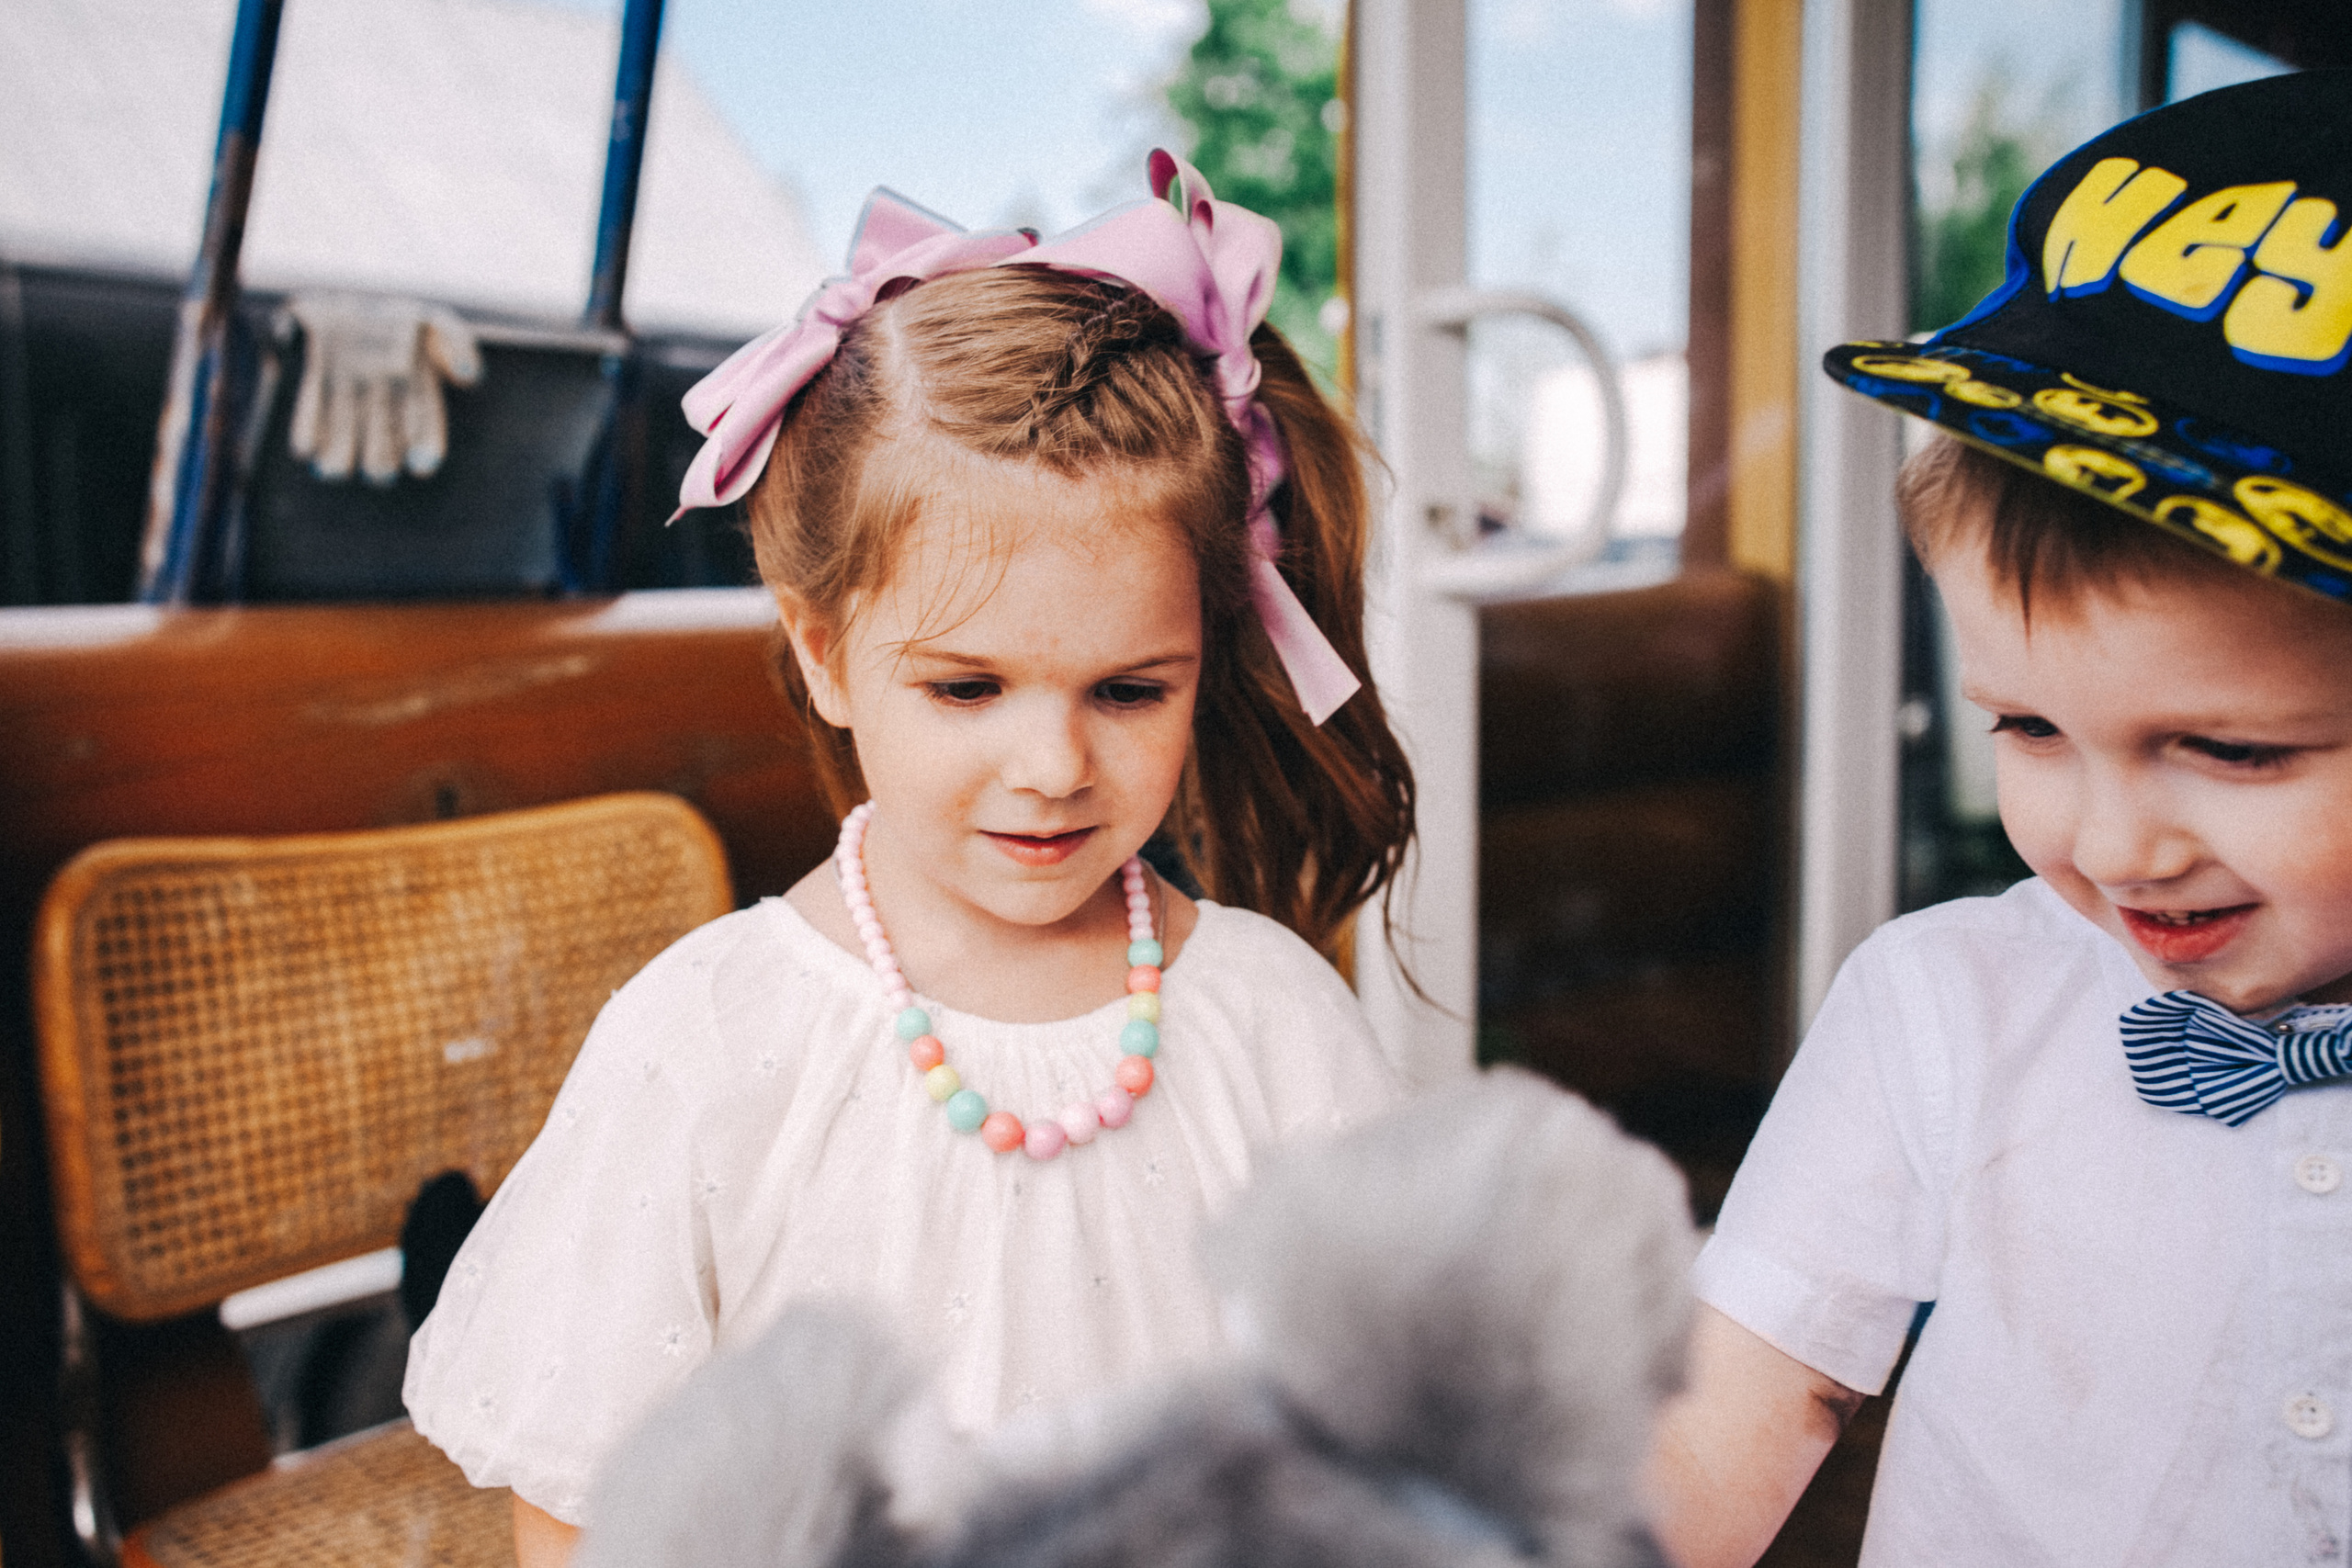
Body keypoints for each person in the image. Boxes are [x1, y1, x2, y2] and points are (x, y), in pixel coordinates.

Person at [402, 152, 1417, 1567]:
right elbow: (584, 1509)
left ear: (1208, 659)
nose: (1053, 768)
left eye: (1130, 691)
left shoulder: (1272, 1022)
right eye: (966, 688)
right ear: (826, 655)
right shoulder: (706, 1043)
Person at [1646, 72, 2352, 1567]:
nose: (2111, 847)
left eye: (2230, 748)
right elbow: (1735, 1411)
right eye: (2028, 729)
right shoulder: (1945, 1011)